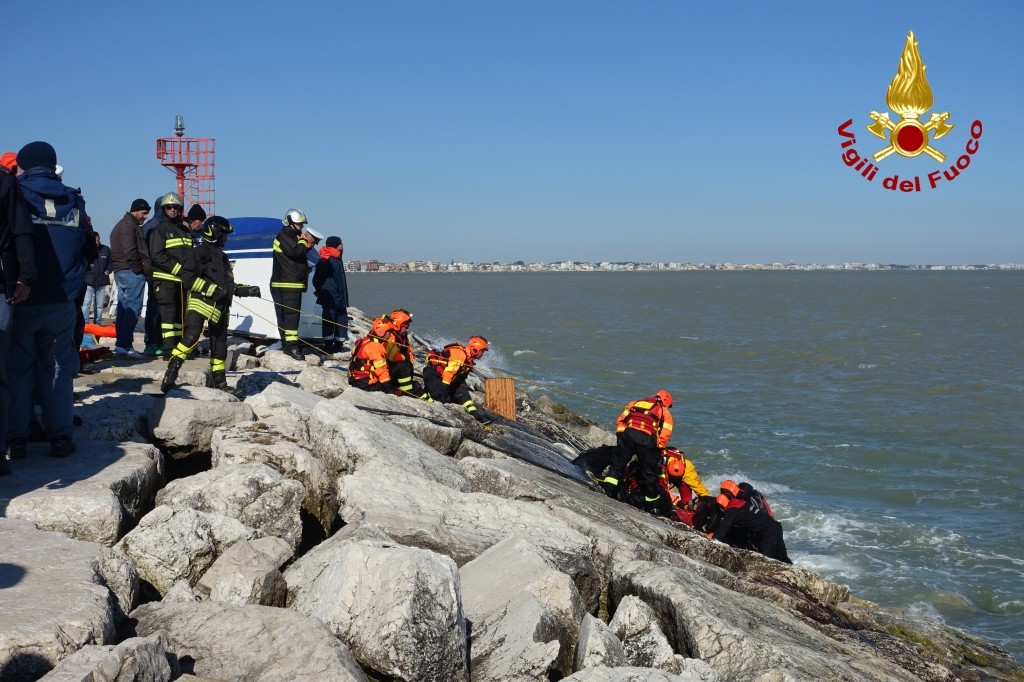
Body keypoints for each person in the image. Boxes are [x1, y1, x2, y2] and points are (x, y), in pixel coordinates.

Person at [7, 141, 90, 459]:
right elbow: (84, 243)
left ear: (24, 165)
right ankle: (61, 436)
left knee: (18, 368)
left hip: (24, 296)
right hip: (63, 301)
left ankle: (17, 438)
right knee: (57, 367)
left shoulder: (16, 193)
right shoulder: (74, 199)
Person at [160, 216, 260, 396]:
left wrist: (245, 290)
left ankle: (220, 383)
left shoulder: (223, 257)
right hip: (200, 304)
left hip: (221, 307)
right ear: (215, 234)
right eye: (224, 235)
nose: (226, 239)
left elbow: (227, 285)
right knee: (190, 338)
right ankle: (169, 377)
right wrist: (211, 290)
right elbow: (188, 279)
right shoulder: (196, 253)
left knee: (220, 344)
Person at [0, 150, 36, 474]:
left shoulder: (5, 183)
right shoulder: (7, 183)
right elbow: (22, 229)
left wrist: (25, 275)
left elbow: (20, 229)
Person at [601, 390, 675, 514]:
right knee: (649, 474)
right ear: (665, 402)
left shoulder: (635, 403)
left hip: (628, 435)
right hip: (645, 440)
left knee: (617, 466)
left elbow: (620, 420)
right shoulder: (665, 412)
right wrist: (657, 447)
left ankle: (607, 491)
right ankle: (654, 507)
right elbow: (665, 434)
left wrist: (622, 437)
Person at [695, 479, 792, 564]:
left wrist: (710, 542)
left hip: (768, 534)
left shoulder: (731, 511)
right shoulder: (740, 502)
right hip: (776, 527)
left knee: (762, 562)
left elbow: (722, 530)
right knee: (783, 558)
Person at [146, 192, 193, 357]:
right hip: (165, 280)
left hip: (181, 281)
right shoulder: (159, 229)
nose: (172, 210)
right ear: (164, 209)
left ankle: (178, 348)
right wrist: (179, 270)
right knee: (168, 316)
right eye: (169, 207)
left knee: (180, 315)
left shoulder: (184, 231)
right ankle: (168, 350)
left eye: (175, 207)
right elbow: (157, 256)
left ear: (180, 209)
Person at [271, 208, 320, 360]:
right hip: (287, 284)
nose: (301, 227)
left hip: (286, 283)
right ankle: (291, 347)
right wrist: (305, 240)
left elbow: (296, 254)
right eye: (299, 224)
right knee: (290, 317)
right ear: (291, 223)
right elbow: (296, 252)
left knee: (287, 317)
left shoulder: (292, 236)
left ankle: (289, 344)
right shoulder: (284, 235)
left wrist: (305, 243)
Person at [110, 198, 152, 357]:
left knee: (123, 309)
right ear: (136, 210)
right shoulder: (129, 226)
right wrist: (139, 269)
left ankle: (122, 344)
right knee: (132, 309)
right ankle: (124, 344)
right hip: (130, 272)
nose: (145, 216)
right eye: (144, 213)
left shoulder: (122, 224)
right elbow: (130, 251)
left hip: (122, 271)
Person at [423, 336, 491, 423]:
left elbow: (460, 376)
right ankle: (424, 394)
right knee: (442, 399)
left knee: (464, 394)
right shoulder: (460, 355)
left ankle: (477, 416)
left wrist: (461, 387)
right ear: (475, 349)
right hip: (433, 375)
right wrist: (445, 391)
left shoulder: (469, 359)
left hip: (445, 379)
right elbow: (448, 373)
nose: (483, 354)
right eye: (482, 351)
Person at [312, 235, 349, 354]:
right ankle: (328, 345)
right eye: (341, 243)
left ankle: (338, 344)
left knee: (342, 319)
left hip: (340, 296)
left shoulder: (337, 258)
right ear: (335, 245)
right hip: (330, 297)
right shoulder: (326, 259)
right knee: (329, 320)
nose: (343, 245)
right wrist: (322, 291)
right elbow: (317, 279)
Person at [348, 316, 402, 393]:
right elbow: (381, 369)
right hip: (365, 383)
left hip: (355, 379)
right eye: (389, 332)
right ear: (381, 332)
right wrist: (388, 387)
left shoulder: (364, 340)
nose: (390, 335)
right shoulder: (374, 346)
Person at [141, 195, 164, 355]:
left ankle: (158, 340)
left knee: (161, 310)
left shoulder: (154, 225)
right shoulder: (153, 226)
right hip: (155, 275)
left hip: (161, 275)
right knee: (154, 310)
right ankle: (152, 341)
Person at [81, 232, 112, 324]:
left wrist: (108, 271)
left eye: (98, 240)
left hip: (101, 281)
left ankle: (97, 322)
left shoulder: (106, 249)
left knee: (99, 305)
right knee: (86, 303)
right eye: (94, 241)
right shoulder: (87, 250)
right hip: (89, 281)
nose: (96, 243)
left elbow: (111, 262)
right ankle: (85, 322)